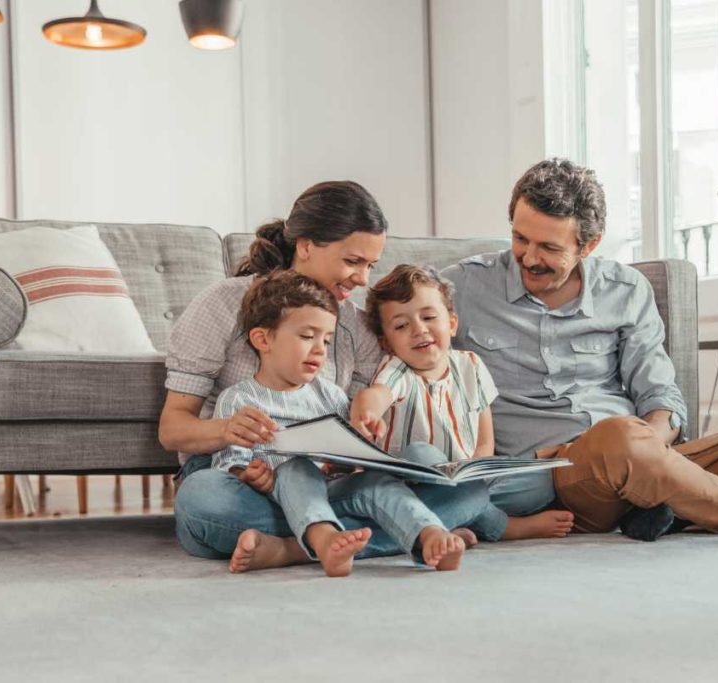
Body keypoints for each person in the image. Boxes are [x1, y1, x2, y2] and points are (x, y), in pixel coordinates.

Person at [440, 158, 718, 541]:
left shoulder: (626, 290)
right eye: (520, 238)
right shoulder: (463, 286)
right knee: (617, 436)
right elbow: (384, 311)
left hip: (647, 453)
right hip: (564, 475)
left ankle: (676, 508)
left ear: (588, 246)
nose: (529, 257)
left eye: (549, 247)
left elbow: (661, 398)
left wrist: (647, 447)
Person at [161, 180, 489, 562]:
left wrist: (365, 433)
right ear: (305, 246)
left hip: (328, 480)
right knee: (203, 501)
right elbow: (172, 430)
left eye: (370, 265)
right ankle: (406, 530)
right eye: (352, 262)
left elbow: (352, 437)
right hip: (242, 477)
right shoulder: (223, 304)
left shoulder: (355, 325)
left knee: (467, 485)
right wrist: (226, 430)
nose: (363, 279)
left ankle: (293, 547)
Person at [214, 271, 470, 574]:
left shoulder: (330, 394)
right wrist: (250, 474)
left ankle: (429, 535)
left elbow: (346, 459)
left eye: (326, 339)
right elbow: (229, 461)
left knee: (377, 482)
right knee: (296, 468)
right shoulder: (238, 399)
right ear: (263, 339)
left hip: (335, 491)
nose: (320, 349)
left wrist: (358, 452)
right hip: (280, 496)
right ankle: (326, 542)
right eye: (308, 336)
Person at [351, 264, 574, 542]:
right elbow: (377, 394)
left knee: (540, 483)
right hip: (415, 484)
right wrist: (366, 412)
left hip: (467, 480)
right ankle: (501, 526)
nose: (419, 330)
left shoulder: (472, 365)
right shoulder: (398, 370)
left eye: (429, 317)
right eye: (401, 325)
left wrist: (477, 472)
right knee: (421, 454)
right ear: (386, 342)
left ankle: (452, 516)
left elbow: (484, 442)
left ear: (452, 323)